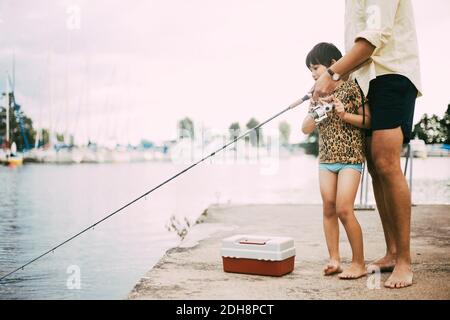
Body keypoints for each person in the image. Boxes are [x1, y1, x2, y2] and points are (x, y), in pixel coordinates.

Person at [312, 0, 421, 288]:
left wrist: (332, 74)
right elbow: (358, 50)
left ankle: (404, 261)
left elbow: (372, 38)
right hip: (366, 80)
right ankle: (391, 252)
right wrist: (339, 79)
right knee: (374, 165)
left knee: (386, 162)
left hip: (391, 74)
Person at [302, 42, 371, 279]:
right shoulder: (317, 95)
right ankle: (334, 260)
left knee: (344, 208)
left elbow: (368, 121)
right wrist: (316, 109)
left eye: (315, 68)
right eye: (309, 71)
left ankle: (359, 263)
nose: (312, 74)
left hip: (350, 158)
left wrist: (343, 114)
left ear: (332, 65)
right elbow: (305, 129)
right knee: (328, 207)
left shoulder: (352, 89)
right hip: (326, 160)